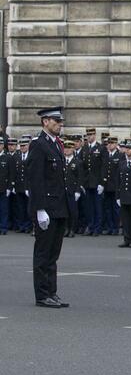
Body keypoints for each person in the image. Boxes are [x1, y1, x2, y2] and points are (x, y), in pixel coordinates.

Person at [26, 107, 71, 308]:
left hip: (59, 207)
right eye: (56, 121)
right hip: (46, 208)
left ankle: (51, 292)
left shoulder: (56, 145)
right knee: (43, 253)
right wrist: (39, 209)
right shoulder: (39, 145)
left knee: (53, 254)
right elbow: (35, 180)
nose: (60, 124)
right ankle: (42, 295)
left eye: (60, 121)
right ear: (45, 122)